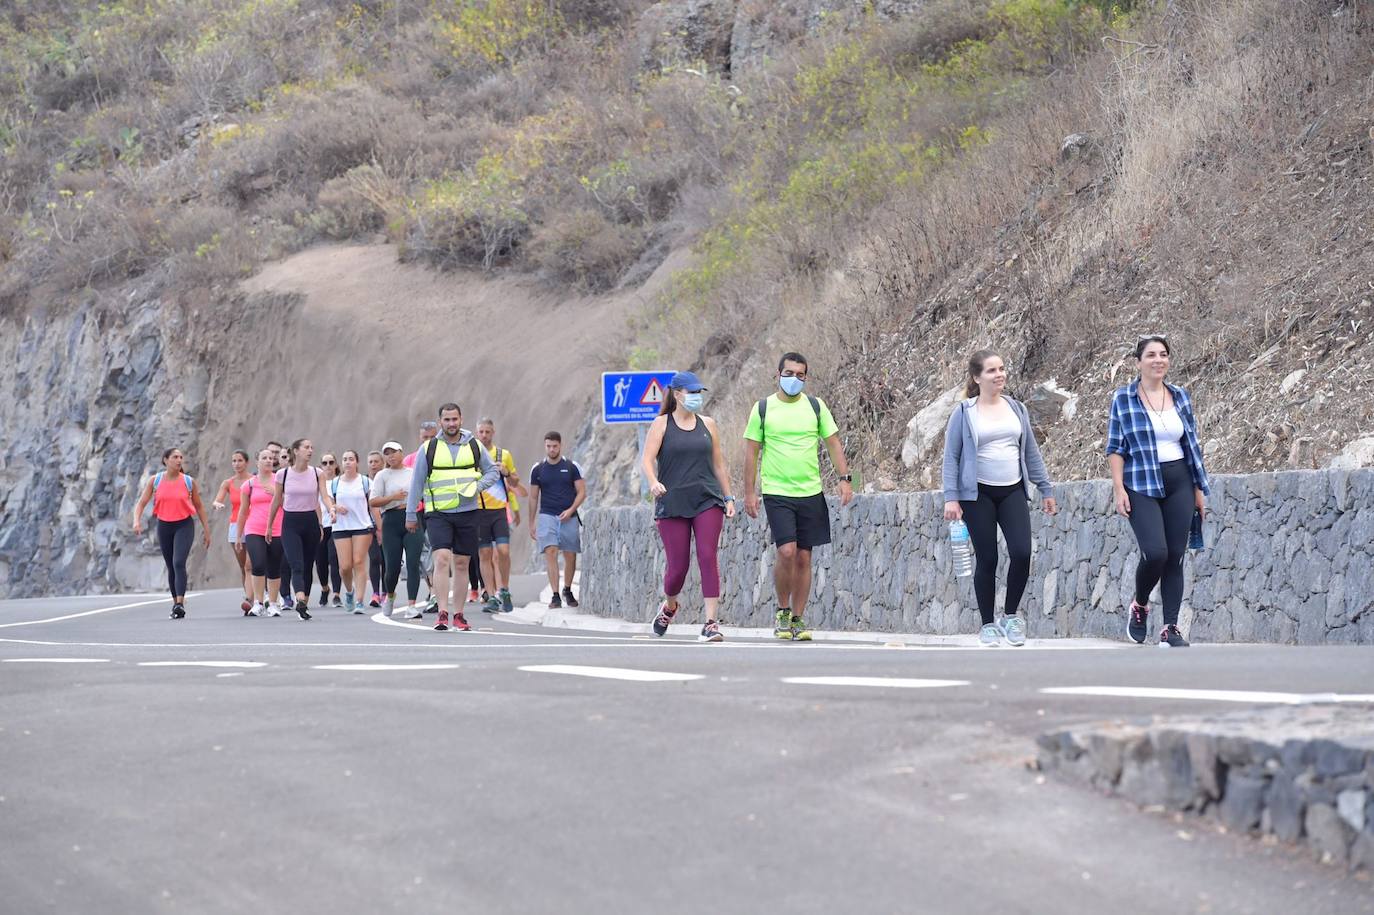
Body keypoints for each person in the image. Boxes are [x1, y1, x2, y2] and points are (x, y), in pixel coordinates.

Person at [941, 350, 1058, 647]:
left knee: (1022, 552)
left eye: (1002, 369)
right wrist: (951, 498)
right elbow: (951, 457)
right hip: (976, 494)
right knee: (988, 558)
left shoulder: (1016, 409)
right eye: (992, 371)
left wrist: (1045, 488)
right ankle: (988, 624)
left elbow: (1031, 451)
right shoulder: (965, 412)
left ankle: (1010, 615)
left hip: (1012, 490)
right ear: (977, 377)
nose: (999, 375)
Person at [1107, 334, 1210, 648]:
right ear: (1138, 362)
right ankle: (1140, 604)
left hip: (1180, 479)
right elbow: (1115, 448)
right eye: (1151, 355)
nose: (1158, 360)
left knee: (1175, 556)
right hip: (1140, 482)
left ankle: (1170, 628)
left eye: (1163, 354)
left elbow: (1191, 444)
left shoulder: (1180, 395)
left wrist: (1198, 489)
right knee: (1156, 553)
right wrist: (1118, 489)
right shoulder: (1124, 398)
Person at [742, 352, 853, 641]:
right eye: (789, 373)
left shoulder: (816, 407)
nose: (794, 379)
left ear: (806, 377)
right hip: (777, 492)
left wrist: (844, 479)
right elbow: (751, 453)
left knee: (804, 557)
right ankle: (782, 610)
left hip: (810, 492)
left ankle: (798, 618)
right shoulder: (763, 408)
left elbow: (833, 442)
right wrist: (749, 492)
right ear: (777, 375)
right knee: (786, 551)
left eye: (800, 375)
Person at [642, 372, 735, 642]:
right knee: (677, 568)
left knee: (708, 556)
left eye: (699, 392)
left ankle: (710, 623)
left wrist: (728, 498)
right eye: (691, 392)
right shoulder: (661, 425)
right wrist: (653, 482)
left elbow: (718, 464)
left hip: (707, 499)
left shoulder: (708, 424)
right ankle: (669, 606)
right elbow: (647, 460)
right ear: (677, 394)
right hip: (672, 501)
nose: (696, 397)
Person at [405, 404, 500, 631]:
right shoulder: (429, 448)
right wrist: (410, 514)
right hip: (438, 513)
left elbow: (493, 472)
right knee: (441, 560)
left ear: (461, 419)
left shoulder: (474, 445)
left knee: (461, 563)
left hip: (468, 513)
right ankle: (441, 612)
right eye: (446, 420)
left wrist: (476, 487)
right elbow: (416, 483)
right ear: (440, 422)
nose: (451, 423)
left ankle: (458, 615)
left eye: (454, 419)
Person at [131, 448, 211, 619]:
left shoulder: (189, 482)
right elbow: (141, 503)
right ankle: (175, 603)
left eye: (181, 457)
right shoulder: (156, 480)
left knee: (179, 562)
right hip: (164, 526)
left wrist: (206, 529)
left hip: (184, 525)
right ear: (165, 460)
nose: (179, 460)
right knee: (170, 566)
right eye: (175, 457)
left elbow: (199, 506)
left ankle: (180, 603)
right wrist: (136, 521)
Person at [266, 438, 335, 620]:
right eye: (306, 447)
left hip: (310, 522)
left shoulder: (317, 473)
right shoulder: (283, 474)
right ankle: (300, 598)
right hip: (290, 523)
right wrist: (269, 526)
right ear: (295, 451)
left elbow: (325, 497)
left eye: (312, 447)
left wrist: (331, 510)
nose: (310, 450)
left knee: (307, 566)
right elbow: (276, 501)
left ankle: (303, 604)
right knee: (296, 564)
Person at [528, 431, 586, 610]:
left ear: (560, 445)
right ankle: (555, 595)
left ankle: (567, 590)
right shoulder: (538, 469)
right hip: (547, 515)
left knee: (570, 554)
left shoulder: (571, 466)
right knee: (551, 552)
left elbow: (582, 492)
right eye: (548, 446)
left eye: (554, 446)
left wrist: (571, 510)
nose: (551, 449)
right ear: (545, 446)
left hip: (568, 516)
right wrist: (532, 523)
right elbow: (533, 497)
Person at [474, 417, 524, 613]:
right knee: (484, 554)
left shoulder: (504, 454)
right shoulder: (472, 455)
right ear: (477, 433)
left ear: (493, 433)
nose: (484, 435)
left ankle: (504, 588)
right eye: (481, 432)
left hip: (499, 511)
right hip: (478, 511)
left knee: (503, 551)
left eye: (487, 432)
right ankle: (492, 593)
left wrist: (506, 472)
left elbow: (515, 482)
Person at [373, 441, 425, 618]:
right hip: (391, 520)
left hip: (411, 518)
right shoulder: (382, 475)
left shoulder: (413, 473)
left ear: (401, 453)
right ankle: (390, 595)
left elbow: (424, 493)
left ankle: (411, 606)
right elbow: (373, 501)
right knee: (392, 567)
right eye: (387, 453)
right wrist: (392, 497)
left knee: (412, 563)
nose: (391, 456)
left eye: (394, 452)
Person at [236, 448, 286, 617]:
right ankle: (258, 602)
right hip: (254, 529)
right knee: (257, 564)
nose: (268, 461)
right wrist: (238, 535)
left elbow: (290, 504)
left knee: (274, 566)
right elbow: (243, 511)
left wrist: (278, 494)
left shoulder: (279, 481)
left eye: (271, 458)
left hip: (277, 528)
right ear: (257, 462)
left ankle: (272, 603)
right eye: (264, 458)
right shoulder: (248, 485)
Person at [329, 450, 377, 613]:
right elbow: (329, 504)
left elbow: (373, 505)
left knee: (358, 561)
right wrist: (335, 508)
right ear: (341, 464)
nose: (348, 462)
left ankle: (359, 601)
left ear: (357, 462)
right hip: (341, 527)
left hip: (362, 526)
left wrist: (380, 527)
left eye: (351, 459)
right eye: (344, 459)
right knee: (345, 566)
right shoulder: (335, 483)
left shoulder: (365, 482)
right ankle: (349, 591)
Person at [212, 449, 254, 612]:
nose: (236, 464)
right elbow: (218, 499)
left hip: (254, 523)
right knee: (244, 566)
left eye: (240, 460)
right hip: (236, 526)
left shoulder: (253, 480)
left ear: (246, 462)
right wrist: (217, 504)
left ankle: (256, 597)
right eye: (234, 461)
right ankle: (250, 600)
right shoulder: (228, 483)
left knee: (252, 564)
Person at [315, 452, 344, 608]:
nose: (328, 466)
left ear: (336, 465)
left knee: (334, 559)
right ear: (320, 466)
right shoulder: (317, 484)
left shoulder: (340, 482)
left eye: (331, 462)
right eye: (324, 463)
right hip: (320, 526)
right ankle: (325, 588)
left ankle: (337, 594)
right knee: (320, 562)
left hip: (337, 525)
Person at [365, 451, 385, 605]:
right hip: (369, 525)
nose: (373, 465)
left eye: (376, 461)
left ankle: (386, 591)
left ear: (382, 463)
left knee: (386, 559)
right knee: (374, 558)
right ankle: (375, 593)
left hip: (387, 524)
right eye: (370, 462)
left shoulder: (386, 479)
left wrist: (382, 528)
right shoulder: (364, 482)